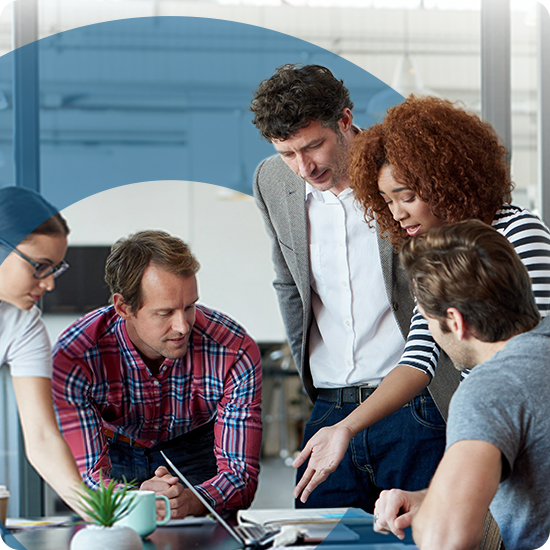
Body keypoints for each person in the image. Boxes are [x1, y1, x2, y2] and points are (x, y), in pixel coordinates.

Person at [294, 94, 550, 499]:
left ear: (446, 180)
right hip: (487, 429)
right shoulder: (432, 252)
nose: (396, 213)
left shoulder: (519, 233)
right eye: (387, 200)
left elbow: (535, 354)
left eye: (407, 196)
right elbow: (418, 356)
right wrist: (345, 426)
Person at [250, 64, 448, 511]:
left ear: (344, 120)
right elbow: (288, 281)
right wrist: (314, 387)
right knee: (316, 538)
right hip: (328, 406)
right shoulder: (271, 181)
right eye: (287, 153)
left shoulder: (398, 171)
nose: (304, 166)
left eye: (313, 146)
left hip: (415, 406)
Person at [52, 230, 262, 519]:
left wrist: (192, 500)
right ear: (124, 307)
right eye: (164, 313)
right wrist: (136, 500)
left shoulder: (233, 348)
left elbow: (241, 476)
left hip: (195, 452)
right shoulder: (75, 355)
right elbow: (87, 480)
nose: (183, 326)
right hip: (112, 454)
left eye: (189, 307)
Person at [374, 220, 548, 549]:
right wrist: (433, 497)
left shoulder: (490, 388)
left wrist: (435, 515)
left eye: (427, 321)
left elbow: (446, 539)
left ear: (455, 321)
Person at [0, 186, 83, 515]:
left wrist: (96, 511)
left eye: (55, 269)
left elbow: (43, 437)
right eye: (40, 266)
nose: (49, 284)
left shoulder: (22, 324)